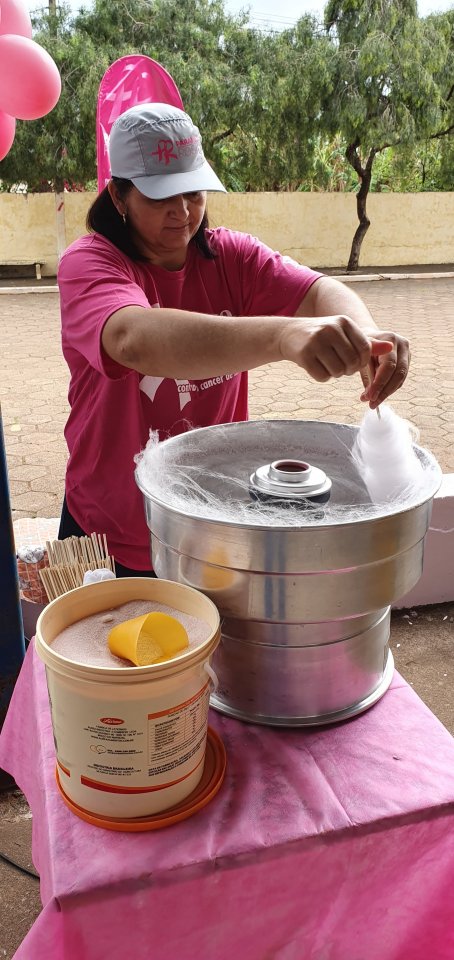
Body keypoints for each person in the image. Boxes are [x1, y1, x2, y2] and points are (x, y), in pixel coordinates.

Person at [57, 102, 410, 577]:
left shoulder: (231, 256)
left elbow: (319, 290)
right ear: (119, 197)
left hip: (208, 524)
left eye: (193, 191)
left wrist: (364, 336)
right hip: (109, 532)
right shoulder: (90, 264)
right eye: (161, 197)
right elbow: (130, 339)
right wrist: (284, 336)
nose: (183, 212)